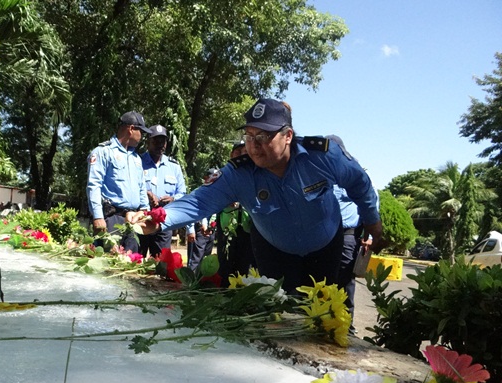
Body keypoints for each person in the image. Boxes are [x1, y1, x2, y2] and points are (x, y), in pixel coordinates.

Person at [129, 98, 384, 293]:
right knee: (276, 314)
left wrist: (373, 222)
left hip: (325, 247)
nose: (254, 145)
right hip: (274, 251)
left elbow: (359, 183)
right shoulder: (239, 174)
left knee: (320, 315)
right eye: (249, 136)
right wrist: (158, 219)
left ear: (288, 136)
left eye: (263, 136)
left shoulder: (322, 156)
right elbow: (200, 201)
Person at [86, 111, 152, 253]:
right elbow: (94, 185)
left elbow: (141, 188)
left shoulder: (136, 158)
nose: (142, 136)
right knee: (109, 261)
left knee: (131, 261)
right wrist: (98, 216)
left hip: (133, 220)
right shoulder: (103, 152)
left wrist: (145, 212)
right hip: (111, 219)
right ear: (131, 129)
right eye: (141, 132)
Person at [327, 135, 375, 320]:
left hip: (347, 235)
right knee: (323, 280)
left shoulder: (354, 171)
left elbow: (371, 203)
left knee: (345, 280)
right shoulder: (320, 172)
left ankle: (346, 326)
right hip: (323, 236)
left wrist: (370, 237)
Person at [138, 125, 187, 257]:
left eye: (163, 141)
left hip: (163, 221)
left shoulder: (174, 166)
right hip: (141, 219)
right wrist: (146, 194)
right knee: (136, 259)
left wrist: (173, 199)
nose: (160, 145)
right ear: (148, 142)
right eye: (156, 141)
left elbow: (182, 193)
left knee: (161, 262)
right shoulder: (138, 162)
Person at [215, 141, 256, 287]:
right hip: (227, 228)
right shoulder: (222, 174)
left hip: (247, 228)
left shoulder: (255, 174)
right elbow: (213, 198)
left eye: (245, 152)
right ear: (231, 155)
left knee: (245, 265)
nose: (241, 156)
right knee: (225, 265)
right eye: (238, 152)